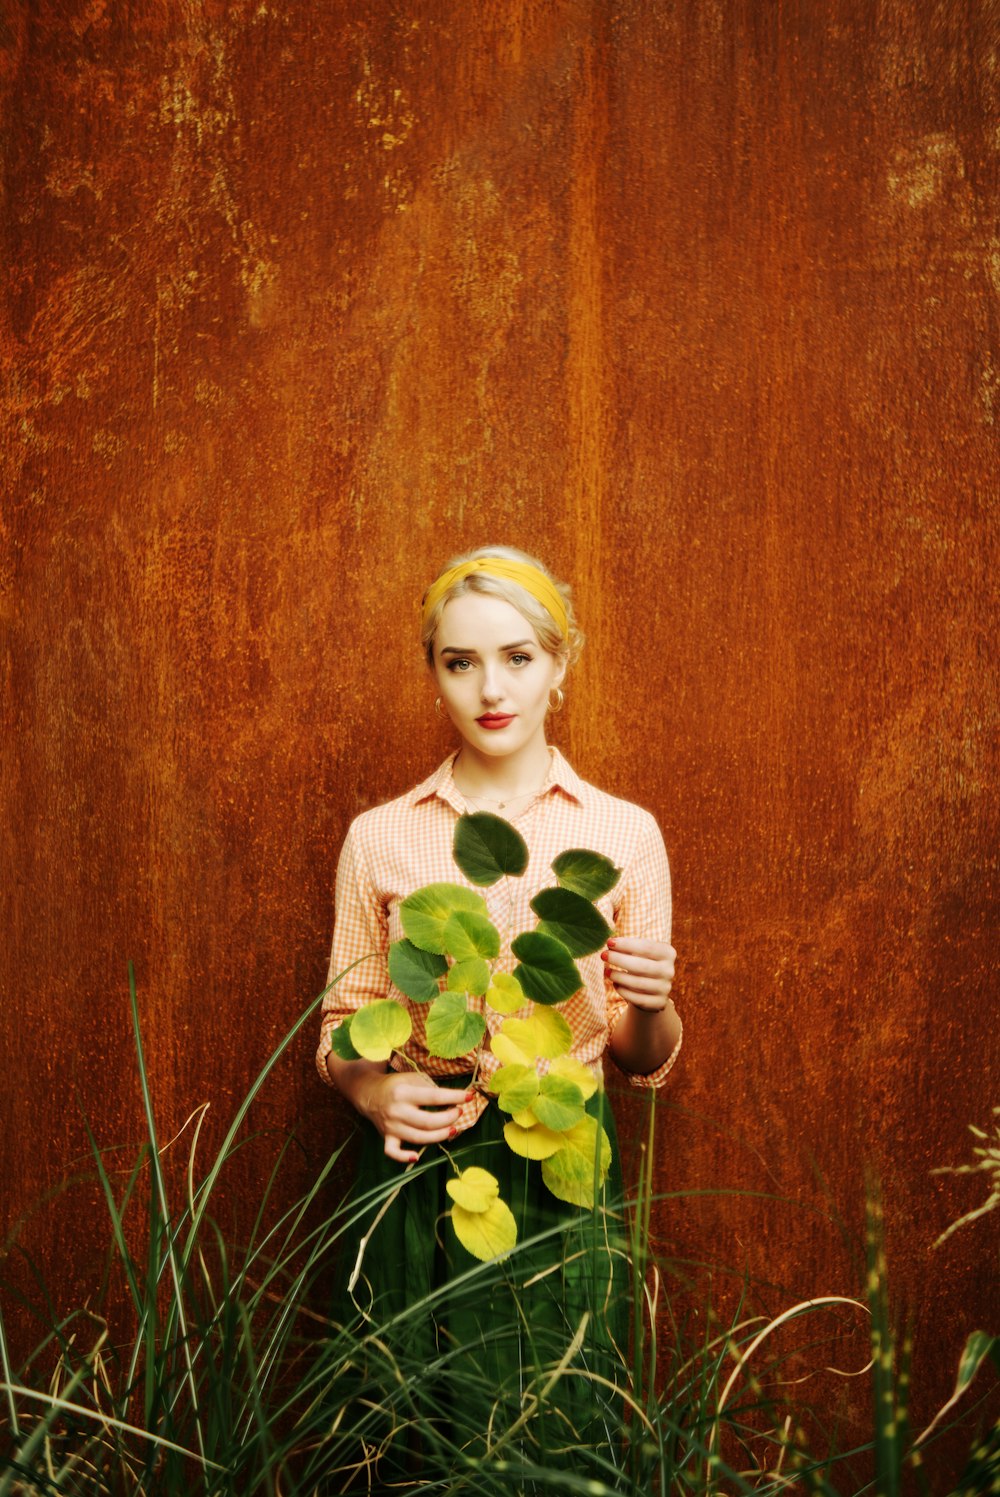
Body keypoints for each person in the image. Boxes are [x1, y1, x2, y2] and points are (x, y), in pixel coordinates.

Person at [316, 545, 682, 1487]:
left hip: (560, 1161)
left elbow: (643, 1059)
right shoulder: (381, 836)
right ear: (432, 669)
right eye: (461, 661)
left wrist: (649, 1000)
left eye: (519, 657)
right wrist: (373, 1092)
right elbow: (343, 1028)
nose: (492, 688)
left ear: (561, 664)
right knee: (411, 1439)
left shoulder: (622, 833)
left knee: (555, 1440)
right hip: (420, 1171)